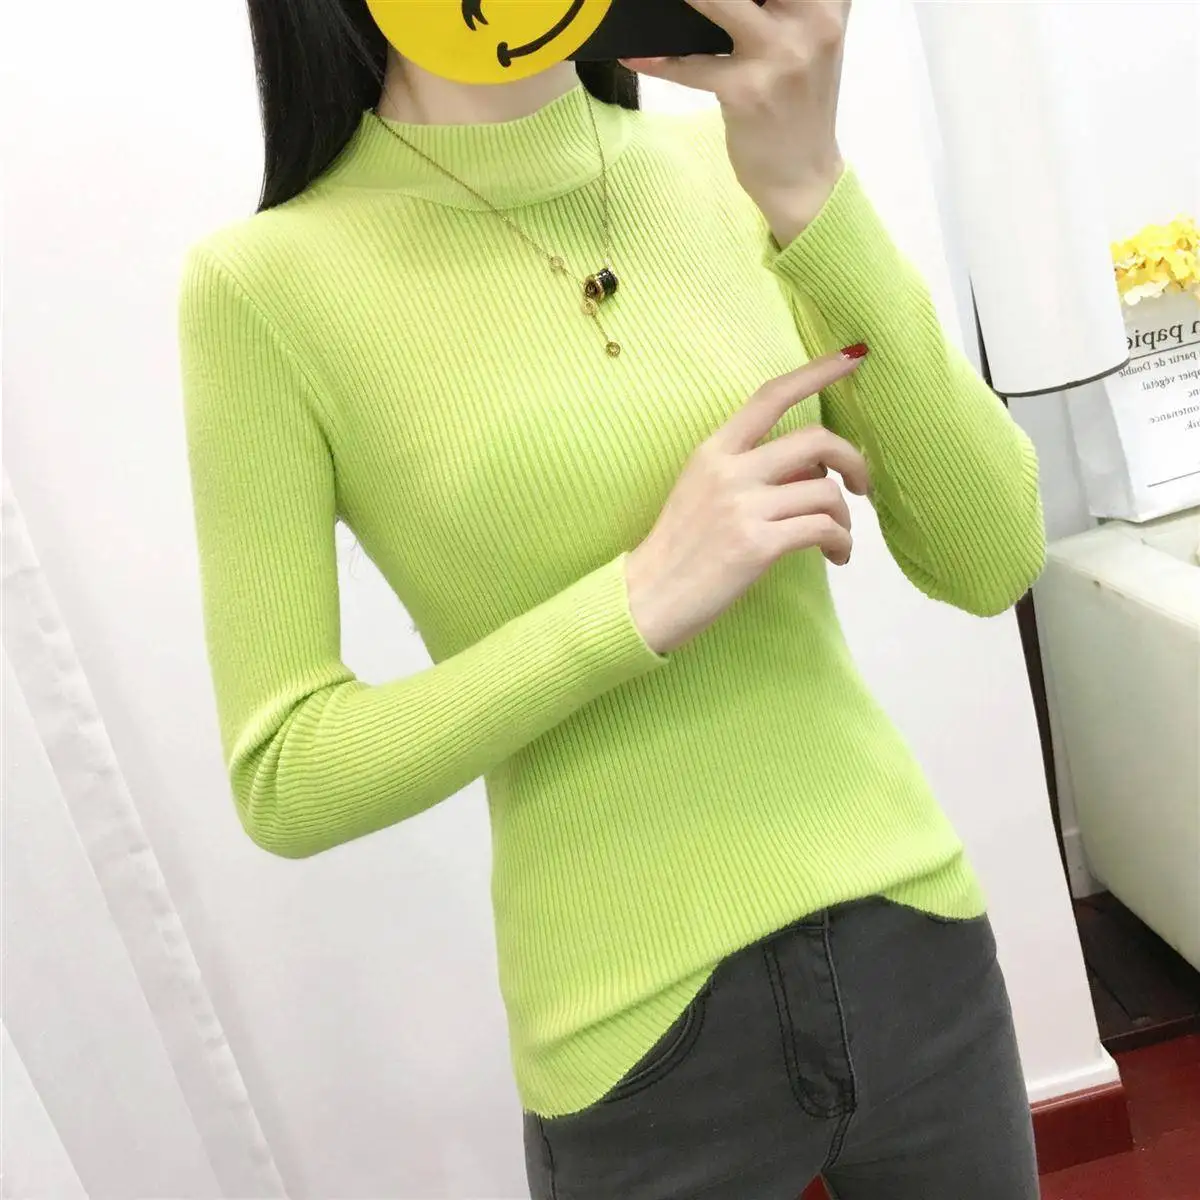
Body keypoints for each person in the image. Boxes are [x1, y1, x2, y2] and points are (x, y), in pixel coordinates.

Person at [177, 2, 1046, 1196]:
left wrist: (809, 187)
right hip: (632, 1039)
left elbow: (992, 557)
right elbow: (286, 770)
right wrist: (634, 602)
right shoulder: (263, 285)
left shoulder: (735, 165)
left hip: (912, 945)